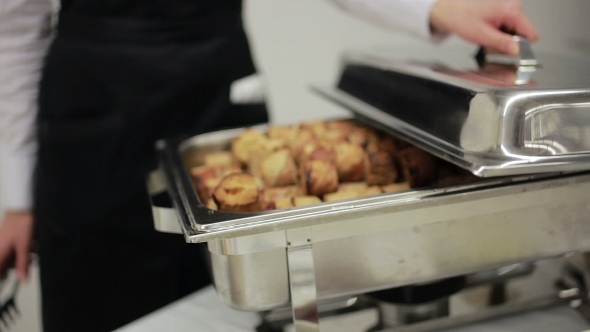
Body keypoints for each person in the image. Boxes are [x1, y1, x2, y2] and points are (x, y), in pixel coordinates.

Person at [0, 0, 538, 331]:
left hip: (214, 84)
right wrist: (18, 195)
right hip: (91, 117)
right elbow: (15, 30)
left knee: (229, 304)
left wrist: (431, 7)